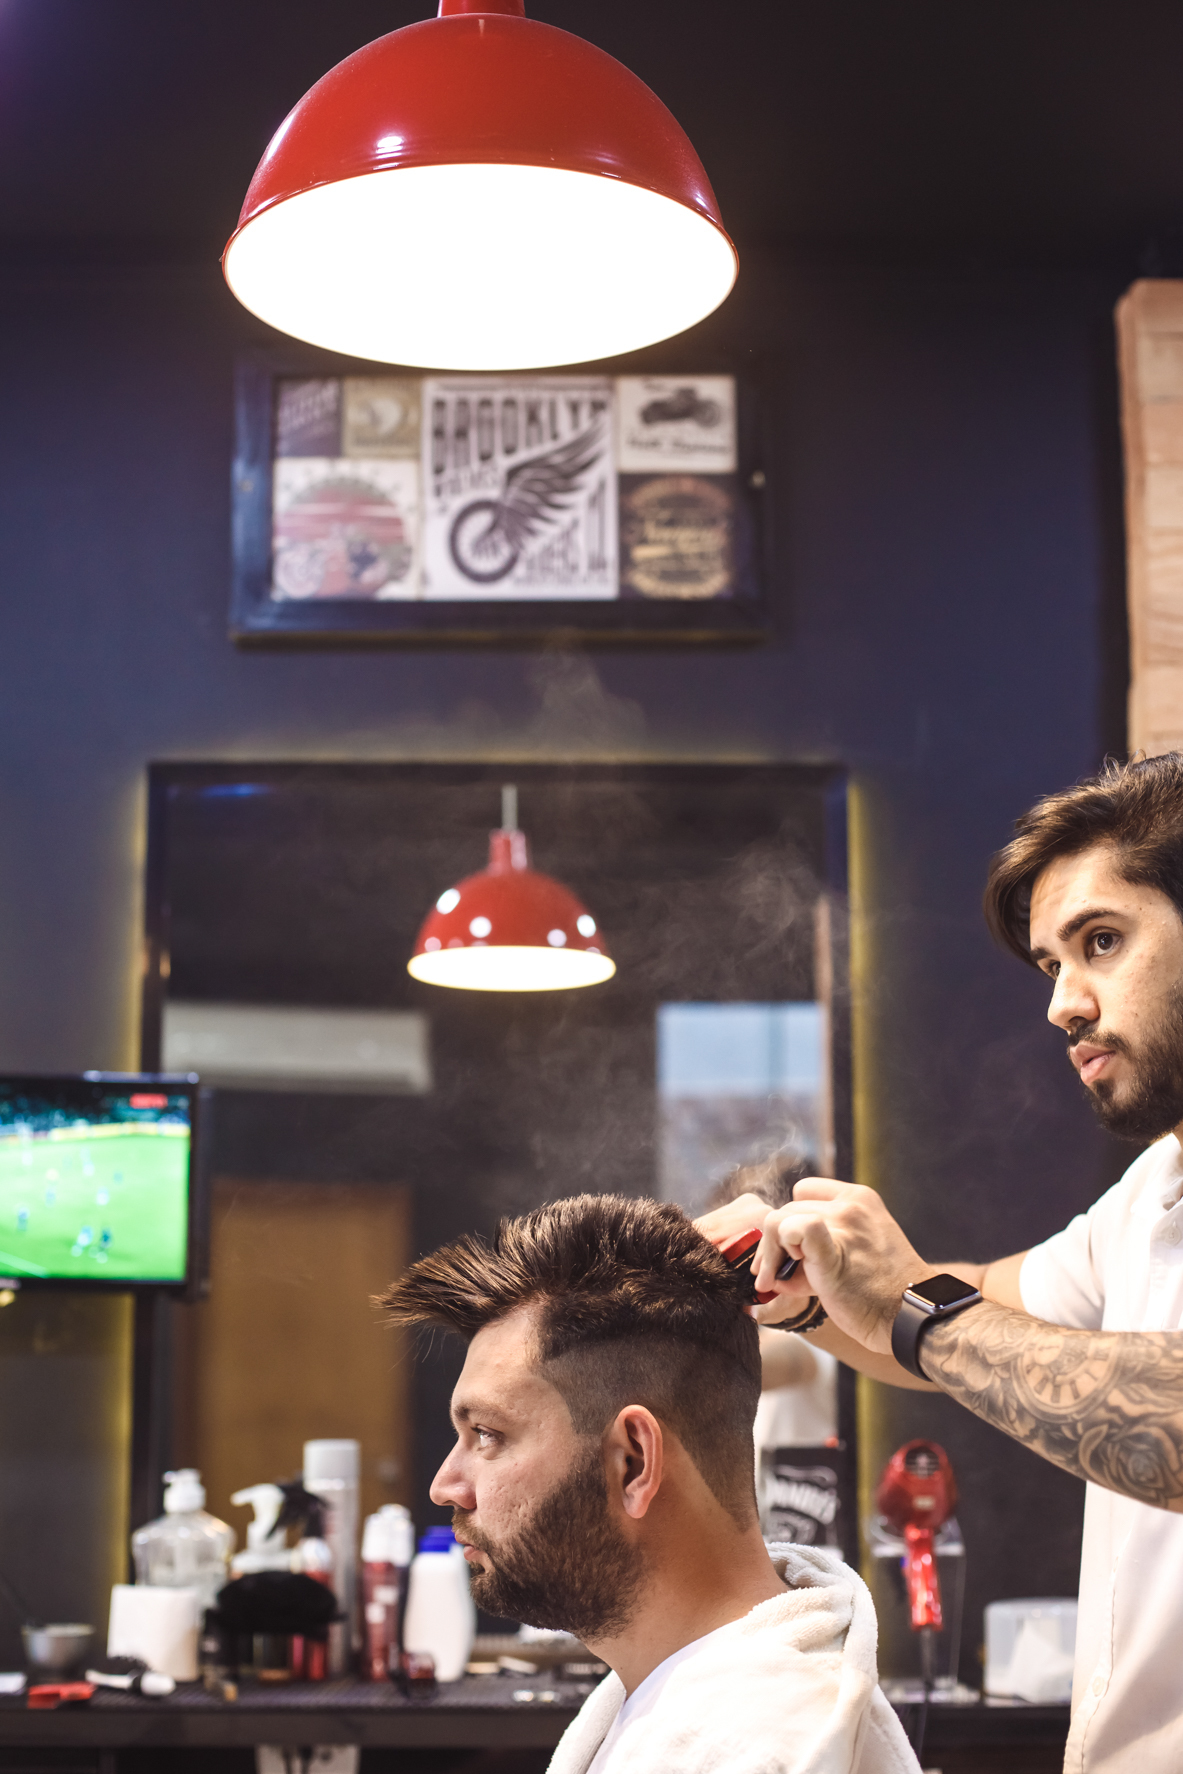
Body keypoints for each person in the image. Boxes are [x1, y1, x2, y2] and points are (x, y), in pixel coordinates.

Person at [699, 753, 1183, 1774]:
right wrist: (803, 1297)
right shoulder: (1153, 1194)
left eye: (1101, 941)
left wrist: (918, 1310)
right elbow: (941, 1329)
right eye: (1052, 964)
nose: (1063, 1003)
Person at [381, 1192, 919, 1774]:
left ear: (633, 1463)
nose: (446, 1485)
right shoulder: (707, 1704)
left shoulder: (744, 1753)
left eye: (487, 1434)